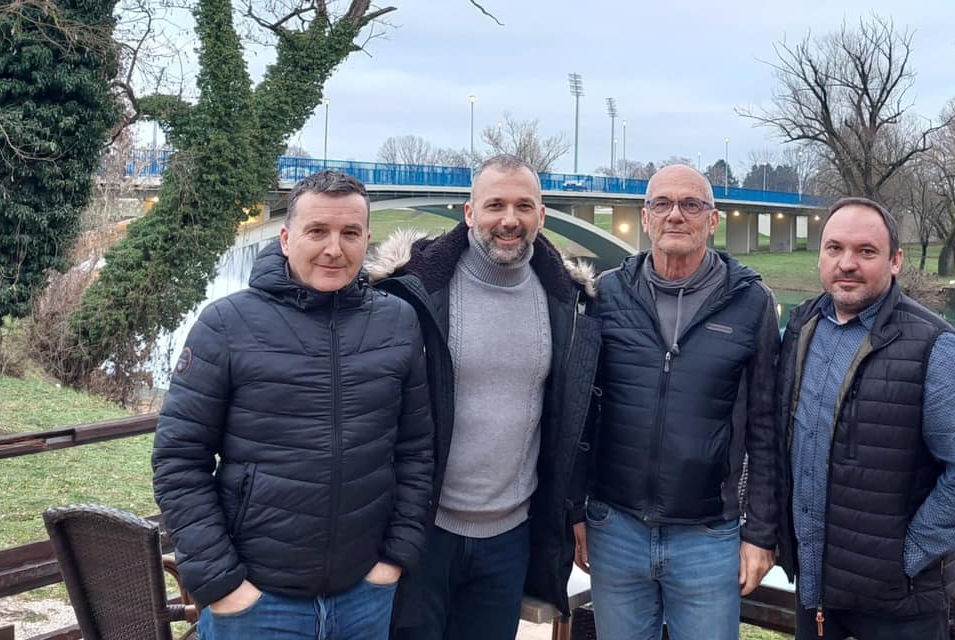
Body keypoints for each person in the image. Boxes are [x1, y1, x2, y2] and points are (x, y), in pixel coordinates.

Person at [152, 170, 434, 640]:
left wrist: (394, 559)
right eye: (317, 231)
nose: (333, 249)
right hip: (257, 604)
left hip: (364, 596)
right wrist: (223, 585)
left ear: (367, 240)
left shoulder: (398, 322)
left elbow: (415, 450)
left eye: (349, 233)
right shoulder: (226, 324)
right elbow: (179, 460)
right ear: (285, 239)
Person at [369, 154, 601, 640]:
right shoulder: (412, 290)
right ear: (470, 212)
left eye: (524, 206)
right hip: (423, 531)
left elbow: (573, 420)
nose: (509, 219)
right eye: (495, 205)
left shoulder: (568, 302)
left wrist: (573, 509)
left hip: (509, 540)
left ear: (541, 215)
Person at [775, 196, 955, 640]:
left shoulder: (935, 347)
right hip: (816, 593)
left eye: (866, 251)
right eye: (834, 248)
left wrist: (904, 559)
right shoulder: (802, 327)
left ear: (895, 261)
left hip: (900, 608)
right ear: (819, 256)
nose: (847, 263)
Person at [578, 164, 782, 640]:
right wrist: (574, 510)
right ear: (645, 216)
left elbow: (766, 427)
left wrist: (760, 533)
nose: (675, 215)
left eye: (691, 204)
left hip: (708, 537)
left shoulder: (750, 302)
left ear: (712, 220)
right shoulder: (607, 293)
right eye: (662, 204)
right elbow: (582, 413)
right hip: (615, 528)